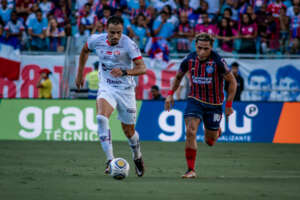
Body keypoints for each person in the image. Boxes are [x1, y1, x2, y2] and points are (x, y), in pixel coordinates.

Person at [75, 15, 146, 177]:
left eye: (119, 33)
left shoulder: (129, 44)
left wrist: (124, 71)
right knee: (101, 117)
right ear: (106, 29)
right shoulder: (96, 40)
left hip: (126, 90)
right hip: (107, 87)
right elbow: (85, 50)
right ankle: (110, 160)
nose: (115, 36)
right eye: (112, 32)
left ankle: (137, 156)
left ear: (122, 31)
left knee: (129, 132)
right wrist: (79, 74)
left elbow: (142, 68)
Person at [164, 33, 237, 178]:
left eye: (206, 48)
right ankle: (191, 170)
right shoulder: (188, 59)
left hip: (214, 104)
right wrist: (170, 94)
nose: (202, 52)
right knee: (190, 132)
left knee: (210, 141)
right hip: (195, 101)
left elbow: (233, 82)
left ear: (211, 47)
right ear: (195, 46)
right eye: (199, 48)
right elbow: (178, 77)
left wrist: (228, 105)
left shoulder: (218, 61)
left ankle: (215, 131)